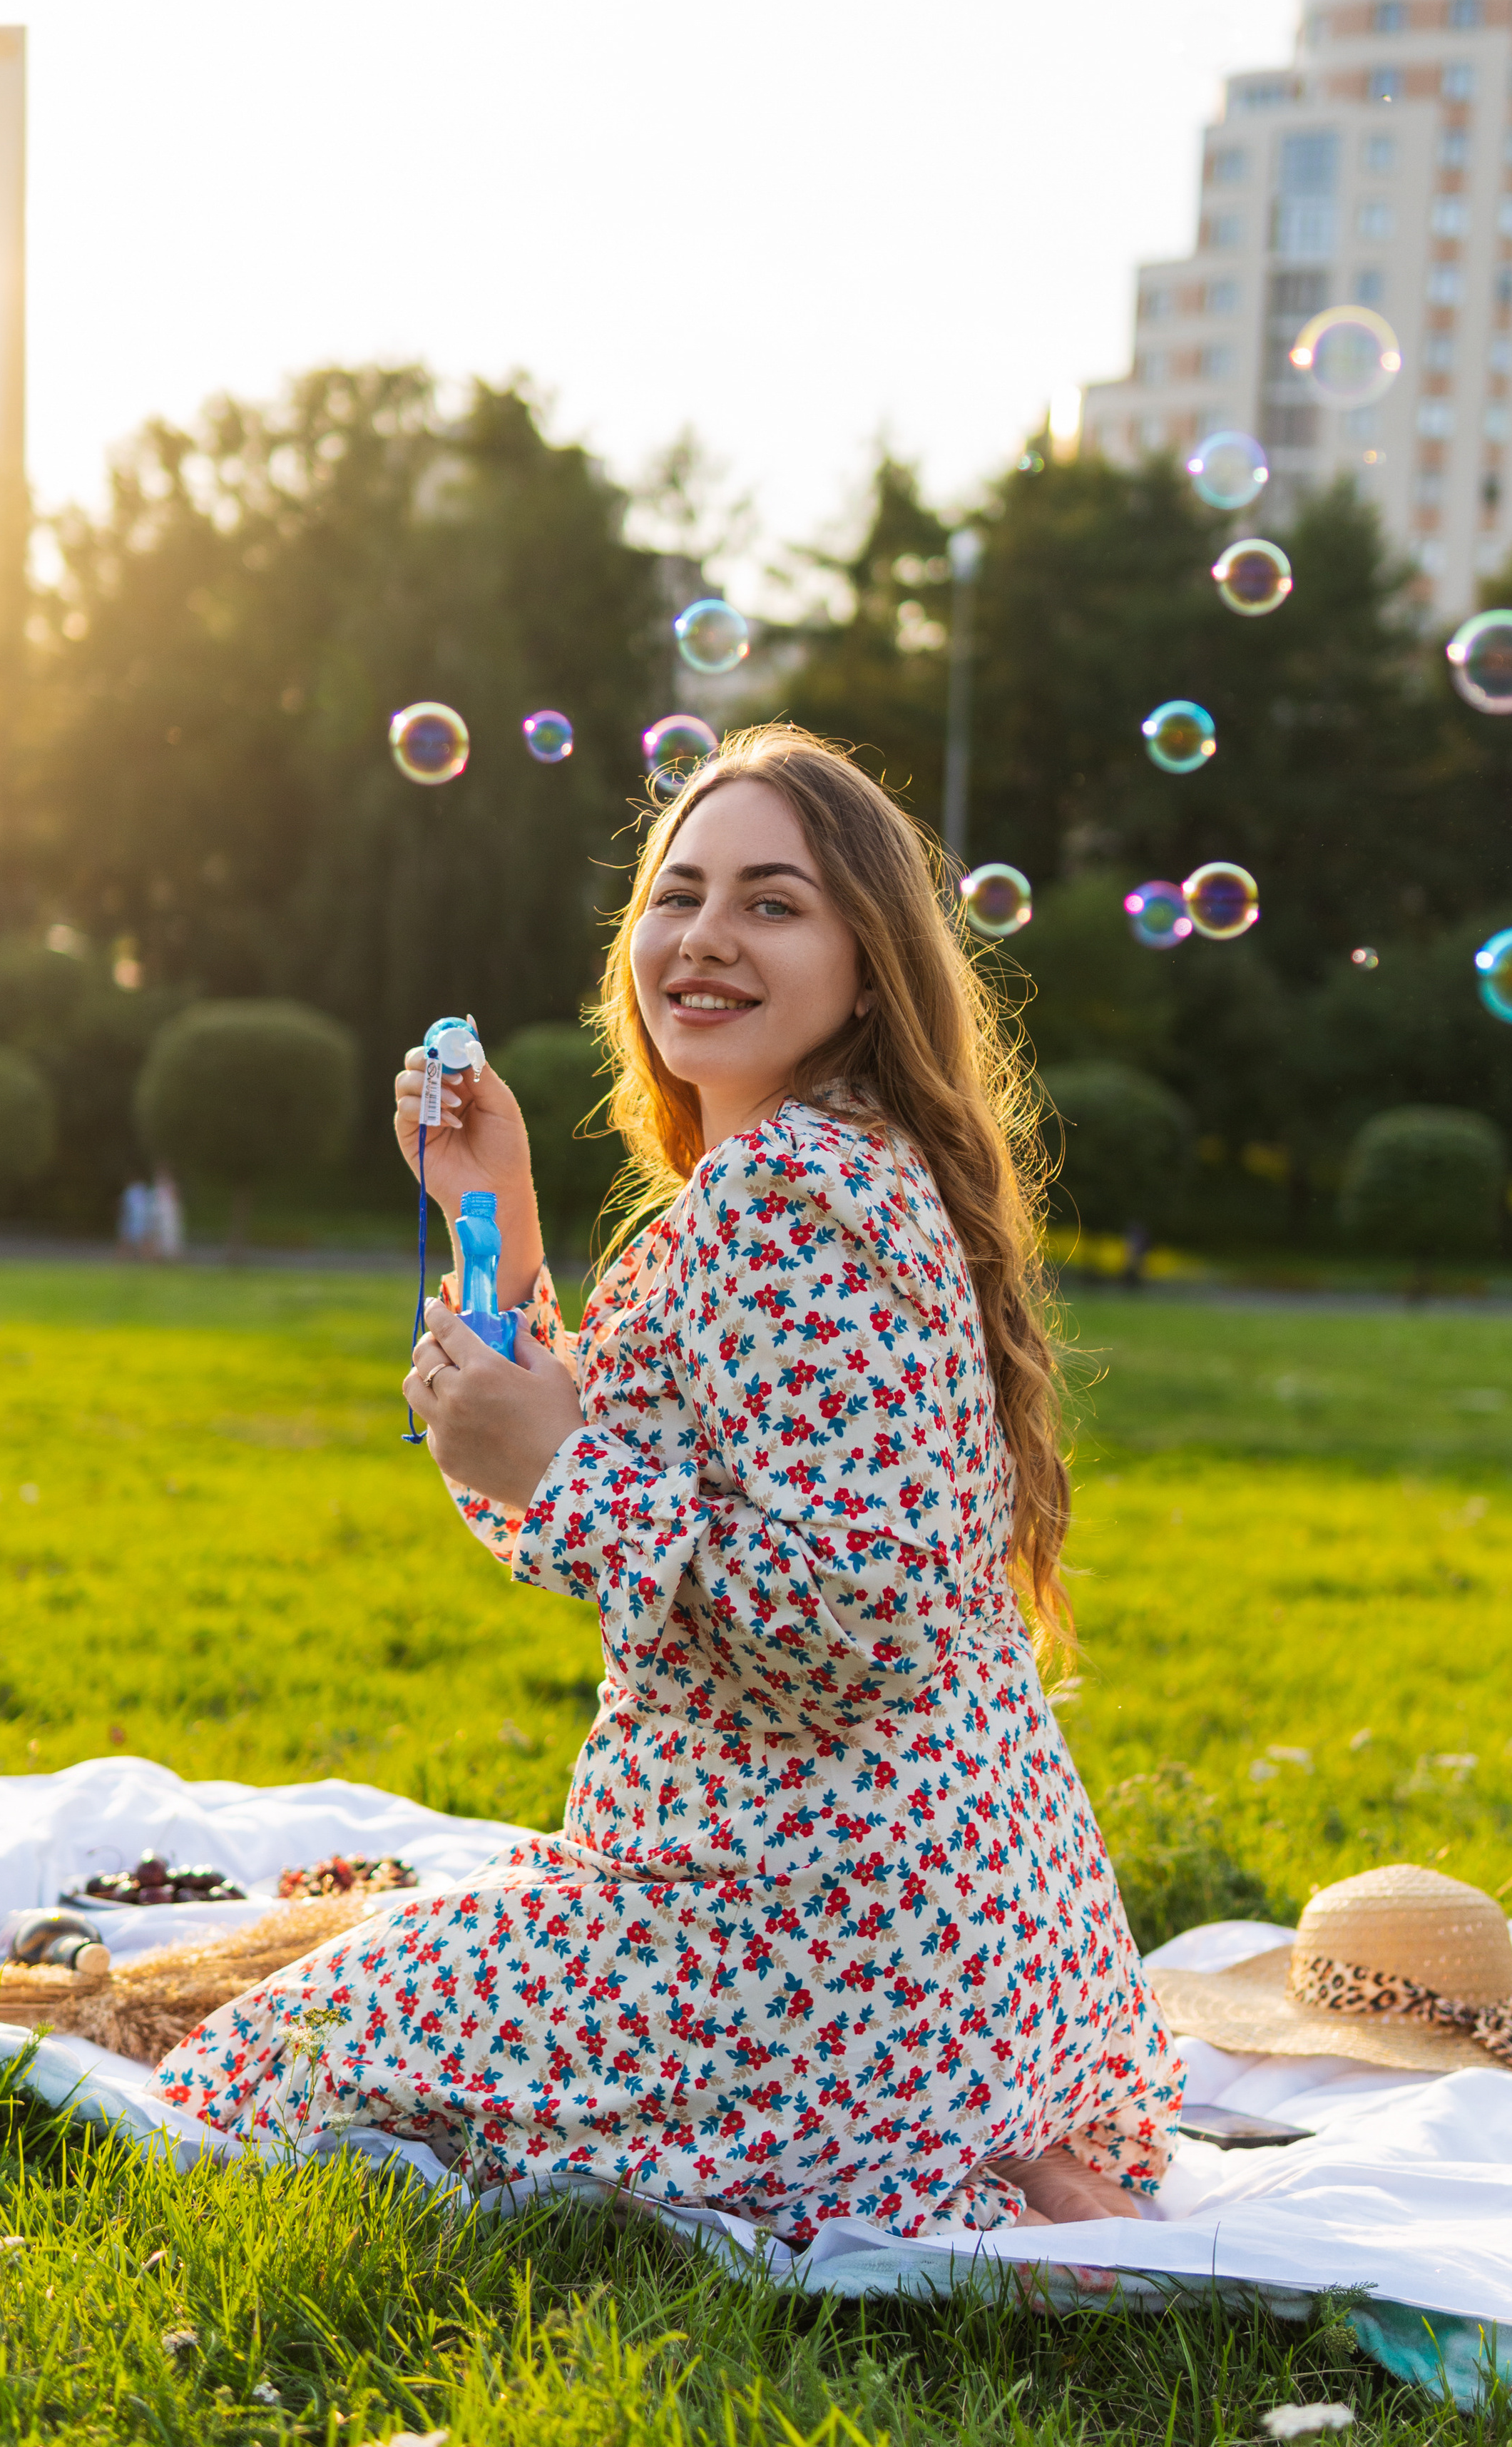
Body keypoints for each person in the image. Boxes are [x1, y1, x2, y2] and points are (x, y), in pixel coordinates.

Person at [154, 725, 1182, 2234]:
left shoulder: (784, 1200)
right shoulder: (835, 1166)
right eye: (676, 895)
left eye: (772, 903)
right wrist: (491, 1215)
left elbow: (857, 1612)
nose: (701, 939)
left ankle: (887, 2144)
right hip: (967, 1948)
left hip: (797, 1941)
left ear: (867, 962)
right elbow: (576, 1471)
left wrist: (561, 1473)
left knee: (256, 2069)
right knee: (395, 1978)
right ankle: (972, 2132)